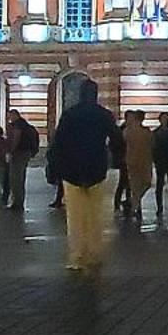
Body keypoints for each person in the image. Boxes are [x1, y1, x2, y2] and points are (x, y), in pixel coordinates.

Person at [48, 79, 120, 271]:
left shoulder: (70, 115)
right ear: (95, 94)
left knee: (75, 216)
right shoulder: (104, 115)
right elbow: (117, 140)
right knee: (95, 215)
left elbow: (59, 143)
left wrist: (54, 168)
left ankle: (77, 255)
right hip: (96, 169)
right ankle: (95, 254)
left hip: (72, 171)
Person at [121, 111, 154, 220]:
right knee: (140, 184)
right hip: (138, 161)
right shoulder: (141, 132)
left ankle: (132, 203)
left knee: (139, 185)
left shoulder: (129, 131)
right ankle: (133, 206)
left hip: (138, 160)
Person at [5, 110, 38, 212]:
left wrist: (11, 151)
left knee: (15, 178)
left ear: (15, 115)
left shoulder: (18, 125)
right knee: (21, 177)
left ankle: (17, 203)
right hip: (26, 153)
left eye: (10, 116)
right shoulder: (25, 125)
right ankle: (19, 201)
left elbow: (16, 138)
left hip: (19, 153)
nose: (9, 118)